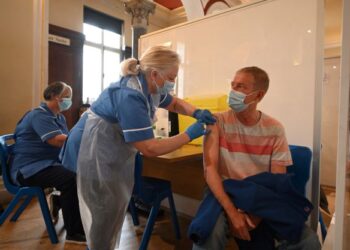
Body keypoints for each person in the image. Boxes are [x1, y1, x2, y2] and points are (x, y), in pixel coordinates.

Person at [60, 45, 216, 250]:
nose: (173, 82)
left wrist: (195, 112)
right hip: (92, 147)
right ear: (154, 74)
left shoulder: (149, 87)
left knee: (111, 206)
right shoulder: (130, 95)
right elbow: (149, 148)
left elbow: (175, 104)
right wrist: (188, 135)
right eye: (171, 77)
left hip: (108, 145)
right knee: (103, 209)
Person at [192, 66, 321, 250]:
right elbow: (210, 170)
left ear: (258, 96)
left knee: (308, 241)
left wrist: (254, 216)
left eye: (241, 87)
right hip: (226, 193)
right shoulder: (217, 122)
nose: (233, 92)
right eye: (233, 85)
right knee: (207, 234)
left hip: (259, 195)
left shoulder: (274, 129)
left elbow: (277, 181)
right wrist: (233, 213)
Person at [11, 81, 86, 244]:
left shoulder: (58, 117)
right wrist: (83, 138)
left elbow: (66, 142)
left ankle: (60, 201)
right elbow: (56, 141)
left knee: (81, 174)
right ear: (54, 96)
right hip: (28, 169)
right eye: (67, 96)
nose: (69, 100)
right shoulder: (39, 115)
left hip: (45, 164)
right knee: (70, 179)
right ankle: (73, 232)